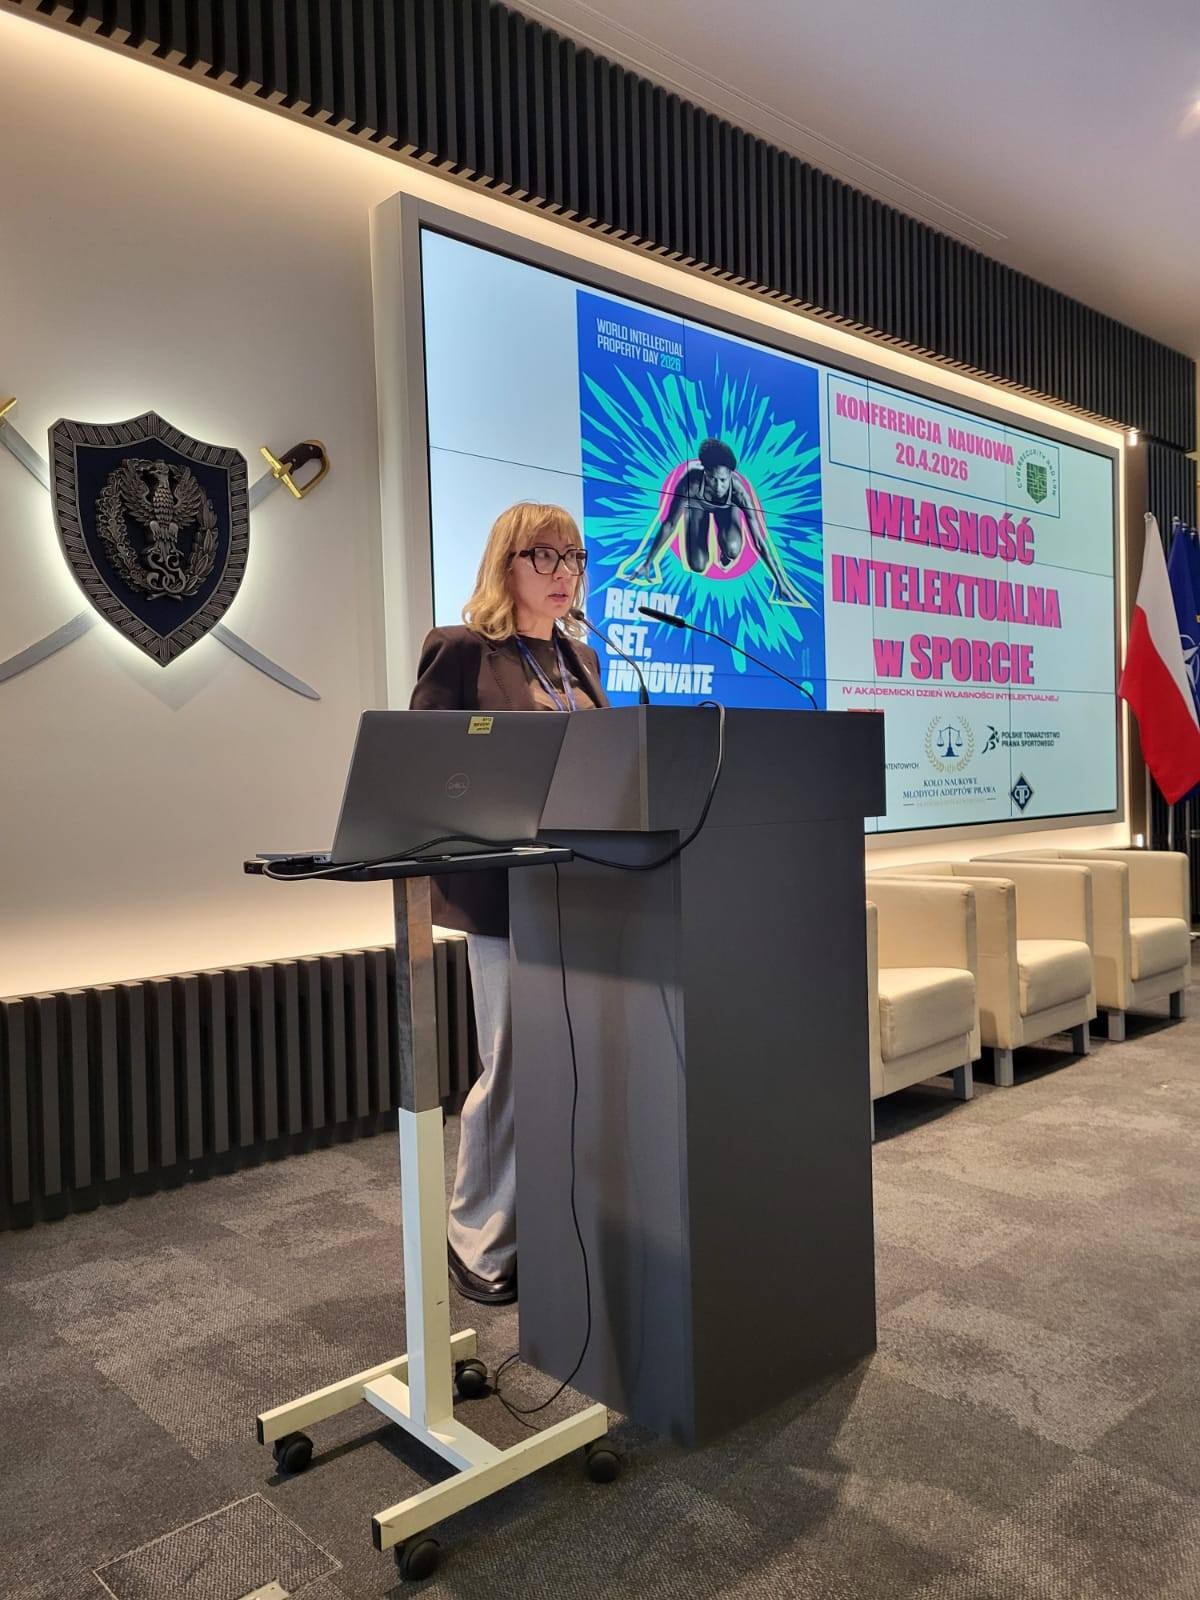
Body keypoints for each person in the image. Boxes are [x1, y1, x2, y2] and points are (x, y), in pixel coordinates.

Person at [409, 502, 609, 1305]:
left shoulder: (581, 658)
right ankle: (479, 1239)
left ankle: (553, 1225)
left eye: (574, 558)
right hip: (502, 892)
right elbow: (424, 768)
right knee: (515, 1061)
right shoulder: (462, 650)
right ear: (507, 563)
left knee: (576, 1061)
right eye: (545, 556)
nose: (564, 573)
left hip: (587, 885)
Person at [628, 435, 807, 605]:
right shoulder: (691, 482)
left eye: (723, 480)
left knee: (733, 549)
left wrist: (780, 581)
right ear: (705, 472)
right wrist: (648, 561)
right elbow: (670, 523)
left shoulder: (738, 492)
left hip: (727, 510)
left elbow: (759, 542)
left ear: (730, 475)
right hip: (697, 507)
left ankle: (725, 553)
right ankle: (701, 535)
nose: (718, 486)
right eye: (713, 479)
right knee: (697, 565)